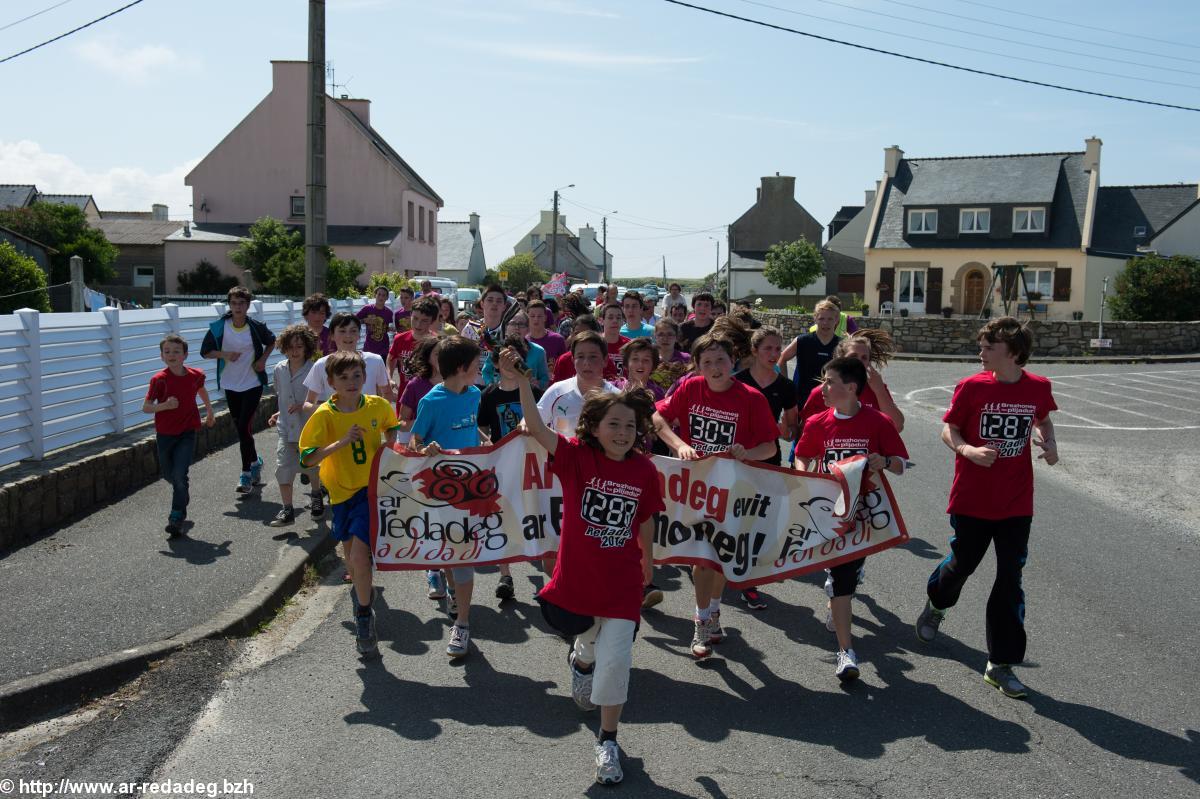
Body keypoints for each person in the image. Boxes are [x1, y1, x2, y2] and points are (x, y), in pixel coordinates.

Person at [505, 347, 663, 786]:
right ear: (592, 427)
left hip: (622, 583)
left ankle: (607, 741)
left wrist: (649, 558)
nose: (622, 432)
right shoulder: (576, 458)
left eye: (630, 426)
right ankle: (581, 659)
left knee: (618, 661)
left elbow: (646, 517)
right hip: (578, 577)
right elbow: (536, 427)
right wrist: (520, 381)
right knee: (589, 642)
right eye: (613, 424)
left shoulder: (645, 471)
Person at [916, 317, 1059, 699]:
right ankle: (937, 603)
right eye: (980, 346)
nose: (980, 353)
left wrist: (1051, 444)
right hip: (972, 499)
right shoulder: (972, 387)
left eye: (988, 346)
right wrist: (967, 450)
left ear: (1012, 352)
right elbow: (949, 428)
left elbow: (1042, 418)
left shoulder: (1037, 387)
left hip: (1016, 503)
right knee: (962, 566)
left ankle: (1001, 663)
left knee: (1010, 579)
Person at [652, 334, 778, 658]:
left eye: (720, 360)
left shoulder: (752, 398)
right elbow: (657, 418)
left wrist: (746, 452)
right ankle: (700, 621)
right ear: (697, 366)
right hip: (698, 488)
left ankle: (715, 610)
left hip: (736, 491)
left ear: (733, 360)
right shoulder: (690, 388)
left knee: (721, 559)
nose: (714, 367)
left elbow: (771, 447)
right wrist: (678, 444)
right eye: (706, 362)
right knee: (700, 556)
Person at [794, 356, 908, 682]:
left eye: (829, 382)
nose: (823, 388)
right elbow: (802, 456)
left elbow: (900, 464)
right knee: (842, 583)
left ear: (852, 388)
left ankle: (839, 586)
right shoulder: (818, 423)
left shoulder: (877, 423)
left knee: (850, 573)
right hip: (829, 515)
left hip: (865, 517)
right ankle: (847, 652)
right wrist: (805, 478)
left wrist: (883, 461)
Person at [299, 350, 400, 656]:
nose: (352, 382)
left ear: (365, 377)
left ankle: (364, 615)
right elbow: (307, 458)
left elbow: (390, 424)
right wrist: (341, 442)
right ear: (330, 382)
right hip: (340, 492)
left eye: (357, 375)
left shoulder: (377, 405)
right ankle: (361, 595)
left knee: (359, 553)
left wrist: (391, 445)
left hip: (369, 491)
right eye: (343, 377)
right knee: (350, 557)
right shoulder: (324, 415)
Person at [409, 336, 486, 658]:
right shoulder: (432, 400)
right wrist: (423, 449)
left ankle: (463, 624)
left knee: (463, 559)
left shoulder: (475, 395)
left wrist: (487, 442)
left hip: (471, 490)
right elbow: (415, 440)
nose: (481, 370)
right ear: (460, 368)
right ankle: (452, 588)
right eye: (477, 365)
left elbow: (472, 428)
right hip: (440, 491)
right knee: (451, 559)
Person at [732, 326, 799, 611]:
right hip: (735, 459)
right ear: (754, 351)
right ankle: (724, 567)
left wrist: (785, 429)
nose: (774, 354)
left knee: (761, 522)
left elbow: (792, 428)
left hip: (768, 458)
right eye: (768, 348)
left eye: (777, 348)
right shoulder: (737, 382)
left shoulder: (785, 386)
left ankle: (749, 581)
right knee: (734, 519)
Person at [201, 286, 276, 494]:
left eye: (241, 303)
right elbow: (205, 352)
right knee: (242, 429)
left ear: (247, 305)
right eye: (234, 303)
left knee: (244, 426)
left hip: (252, 383)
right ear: (229, 305)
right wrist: (225, 354)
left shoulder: (255, 326)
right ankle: (255, 461)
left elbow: (272, 341)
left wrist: (262, 360)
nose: (237, 307)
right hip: (230, 384)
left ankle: (245, 475)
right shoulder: (220, 327)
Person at [143, 334, 215, 537]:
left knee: (179, 476)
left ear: (185, 355)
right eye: (167, 352)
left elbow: (201, 390)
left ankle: (176, 517)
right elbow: (146, 407)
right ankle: (182, 494)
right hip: (165, 435)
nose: (171, 355)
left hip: (187, 433)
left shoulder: (194, 375)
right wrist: (165, 405)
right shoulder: (159, 380)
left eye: (176, 351)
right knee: (169, 475)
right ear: (161, 356)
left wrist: (209, 411)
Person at [268, 325, 324, 527]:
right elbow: (281, 396)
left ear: (307, 347)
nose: (295, 351)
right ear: (284, 347)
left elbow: (324, 403)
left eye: (299, 346)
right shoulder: (279, 369)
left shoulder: (315, 370)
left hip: (308, 428)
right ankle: (287, 509)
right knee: (283, 468)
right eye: (291, 346)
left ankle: (316, 495)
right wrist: (278, 413)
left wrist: (305, 406)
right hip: (286, 427)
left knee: (312, 467)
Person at [798, 329, 904, 431]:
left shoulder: (877, 388)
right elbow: (805, 430)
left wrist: (879, 390)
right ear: (840, 359)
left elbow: (897, 426)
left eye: (864, 358)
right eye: (853, 356)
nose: (859, 361)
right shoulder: (821, 392)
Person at [303, 313, 393, 407]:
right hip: (336, 421)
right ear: (332, 335)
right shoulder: (321, 364)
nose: (348, 336)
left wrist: (376, 413)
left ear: (359, 335)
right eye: (342, 331)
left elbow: (387, 393)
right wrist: (329, 412)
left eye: (353, 331)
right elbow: (308, 403)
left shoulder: (375, 360)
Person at [387, 297, 439, 404]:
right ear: (410, 315)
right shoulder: (399, 339)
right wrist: (389, 377)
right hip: (403, 397)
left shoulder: (436, 343)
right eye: (415, 318)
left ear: (432, 321)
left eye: (424, 321)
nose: (418, 324)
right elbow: (391, 358)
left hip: (428, 398)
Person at [481, 310, 549, 389]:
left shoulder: (539, 351)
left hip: (528, 394)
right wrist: (492, 386)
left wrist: (537, 383)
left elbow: (545, 379)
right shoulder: (497, 347)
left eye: (521, 324)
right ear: (506, 327)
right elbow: (486, 372)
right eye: (513, 323)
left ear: (528, 329)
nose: (517, 328)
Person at [460, 284, 508, 385]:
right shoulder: (470, 328)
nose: (494, 304)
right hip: (473, 385)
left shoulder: (509, 331)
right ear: (482, 304)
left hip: (500, 386)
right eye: (490, 300)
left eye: (499, 301)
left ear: (504, 306)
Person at [552, 315, 619, 383]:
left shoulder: (602, 360)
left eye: (585, 333)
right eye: (576, 333)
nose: (581, 337)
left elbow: (613, 385)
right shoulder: (563, 360)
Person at [526, 299, 567, 367]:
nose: (536, 319)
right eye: (532, 316)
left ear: (545, 317)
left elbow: (565, 366)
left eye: (539, 316)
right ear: (527, 317)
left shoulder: (558, 339)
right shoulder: (524, 341)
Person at [356, 286, 394, 358]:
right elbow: (353, 320)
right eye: (379, 294)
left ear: (387, 298)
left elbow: (385, 328)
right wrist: (364, 320)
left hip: (383, 348)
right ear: (375, 295)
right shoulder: (367, 308)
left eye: (383, 295)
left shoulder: (389, 313)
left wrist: (390, 329)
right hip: (369, 347)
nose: (381, 297)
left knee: (382, 369)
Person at [599, 303, 631, 374]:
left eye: (618, 318)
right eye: (610, 317)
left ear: (623, 321)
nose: (615, 321)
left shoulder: (629, 345)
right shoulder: (594, 343)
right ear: (601, 321)